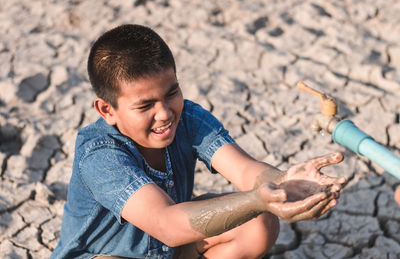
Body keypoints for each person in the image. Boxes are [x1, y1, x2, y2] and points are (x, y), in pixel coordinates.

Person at [51, 24, 346, 259]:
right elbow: (166, 224)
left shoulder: (189, 118)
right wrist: (257, 198)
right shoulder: (99, 154)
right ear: (107, 110)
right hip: (108, 255)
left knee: (259, 222)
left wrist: (281, 183)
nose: (165, 113)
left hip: (169, 250)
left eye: (171, 93)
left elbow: (244, 170)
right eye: (145, 106)